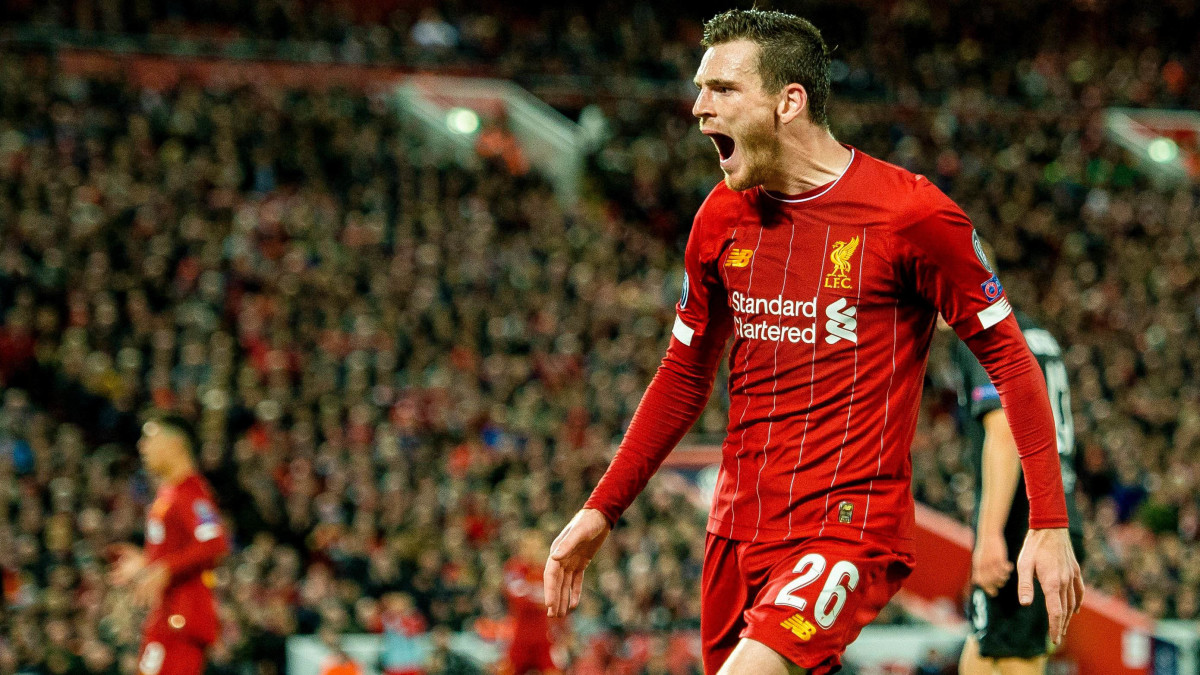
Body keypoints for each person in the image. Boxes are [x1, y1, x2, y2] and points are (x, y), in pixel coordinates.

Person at [544, 9, 1083, 675]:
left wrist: (1048, 523)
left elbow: (1010, 357)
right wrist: (602, 508)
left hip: (847, 527)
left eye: (722, 88)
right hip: (736, 530)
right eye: (700, 88)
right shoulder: (720, 218)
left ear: (788, 102)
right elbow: (683, 375)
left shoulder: (911, 215)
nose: (698, 107)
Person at [953, 308, 1085, 675]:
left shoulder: (986, 331)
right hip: (1057, 513)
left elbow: (1004, 431)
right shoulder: (1039, 334)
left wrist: (989, 532)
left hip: (1020, 524)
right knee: (987, 647)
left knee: (1014, 659)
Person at [110, 415, 230, 675]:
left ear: (175, 444)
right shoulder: (169, 493)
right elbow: (178, 551)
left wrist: (163, 568)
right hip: (166, 615)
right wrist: (147, 562)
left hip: (182, 620)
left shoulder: (192, 493)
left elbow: (214, 541)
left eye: (149, 438)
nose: (142, 446)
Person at [504, 531, 560, 675]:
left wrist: (531, 592)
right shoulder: (514, 569)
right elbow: (518, 600)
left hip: (543, 637)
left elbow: (555, 600)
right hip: (521, 637)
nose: (532, 551)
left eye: (536, 546)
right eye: (528, 546)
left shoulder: (548, 570)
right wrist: (540, 596)